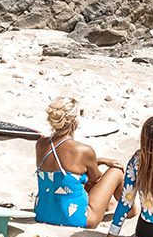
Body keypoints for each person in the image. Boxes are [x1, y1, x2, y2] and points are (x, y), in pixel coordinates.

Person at [34, 97, 127, 228]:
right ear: (75, 122)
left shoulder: (40, 144)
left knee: (77, 179)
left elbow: (63, 166)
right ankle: (130, 211)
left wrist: (99, 161)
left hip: (42, 214)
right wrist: (99, 164)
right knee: (116, 171)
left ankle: (111, 205)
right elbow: (96, 179)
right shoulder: (83, 150)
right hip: (75, 219)